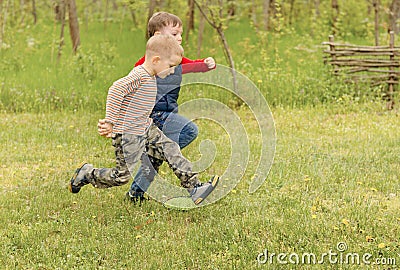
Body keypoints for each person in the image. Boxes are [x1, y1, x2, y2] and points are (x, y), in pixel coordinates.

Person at [69, 34, 219, 205]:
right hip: (127, 134)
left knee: (171, 148)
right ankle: (87, 173)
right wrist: (110, 121)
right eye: (170, 66)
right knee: (121, 177)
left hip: (146, 128)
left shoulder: (152, 75)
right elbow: (116, 90)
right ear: (156, 60)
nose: (172, 71)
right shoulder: (139, 75)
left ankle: (194, 187)